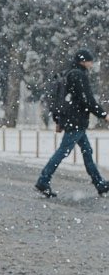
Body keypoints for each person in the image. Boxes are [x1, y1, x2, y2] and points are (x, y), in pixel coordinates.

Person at [35, 48, 109, 198]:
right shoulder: (78, 75)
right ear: (83, 61)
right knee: (63, 151)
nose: (92, 63)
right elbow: (87, 100)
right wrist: (103, 115)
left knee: (87, 151)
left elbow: (62, 99)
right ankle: (43, 180)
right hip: (76, 120)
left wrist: (58, 119)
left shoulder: (69, 73)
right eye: (90, 60)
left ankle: (99, 183)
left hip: (73, 120)